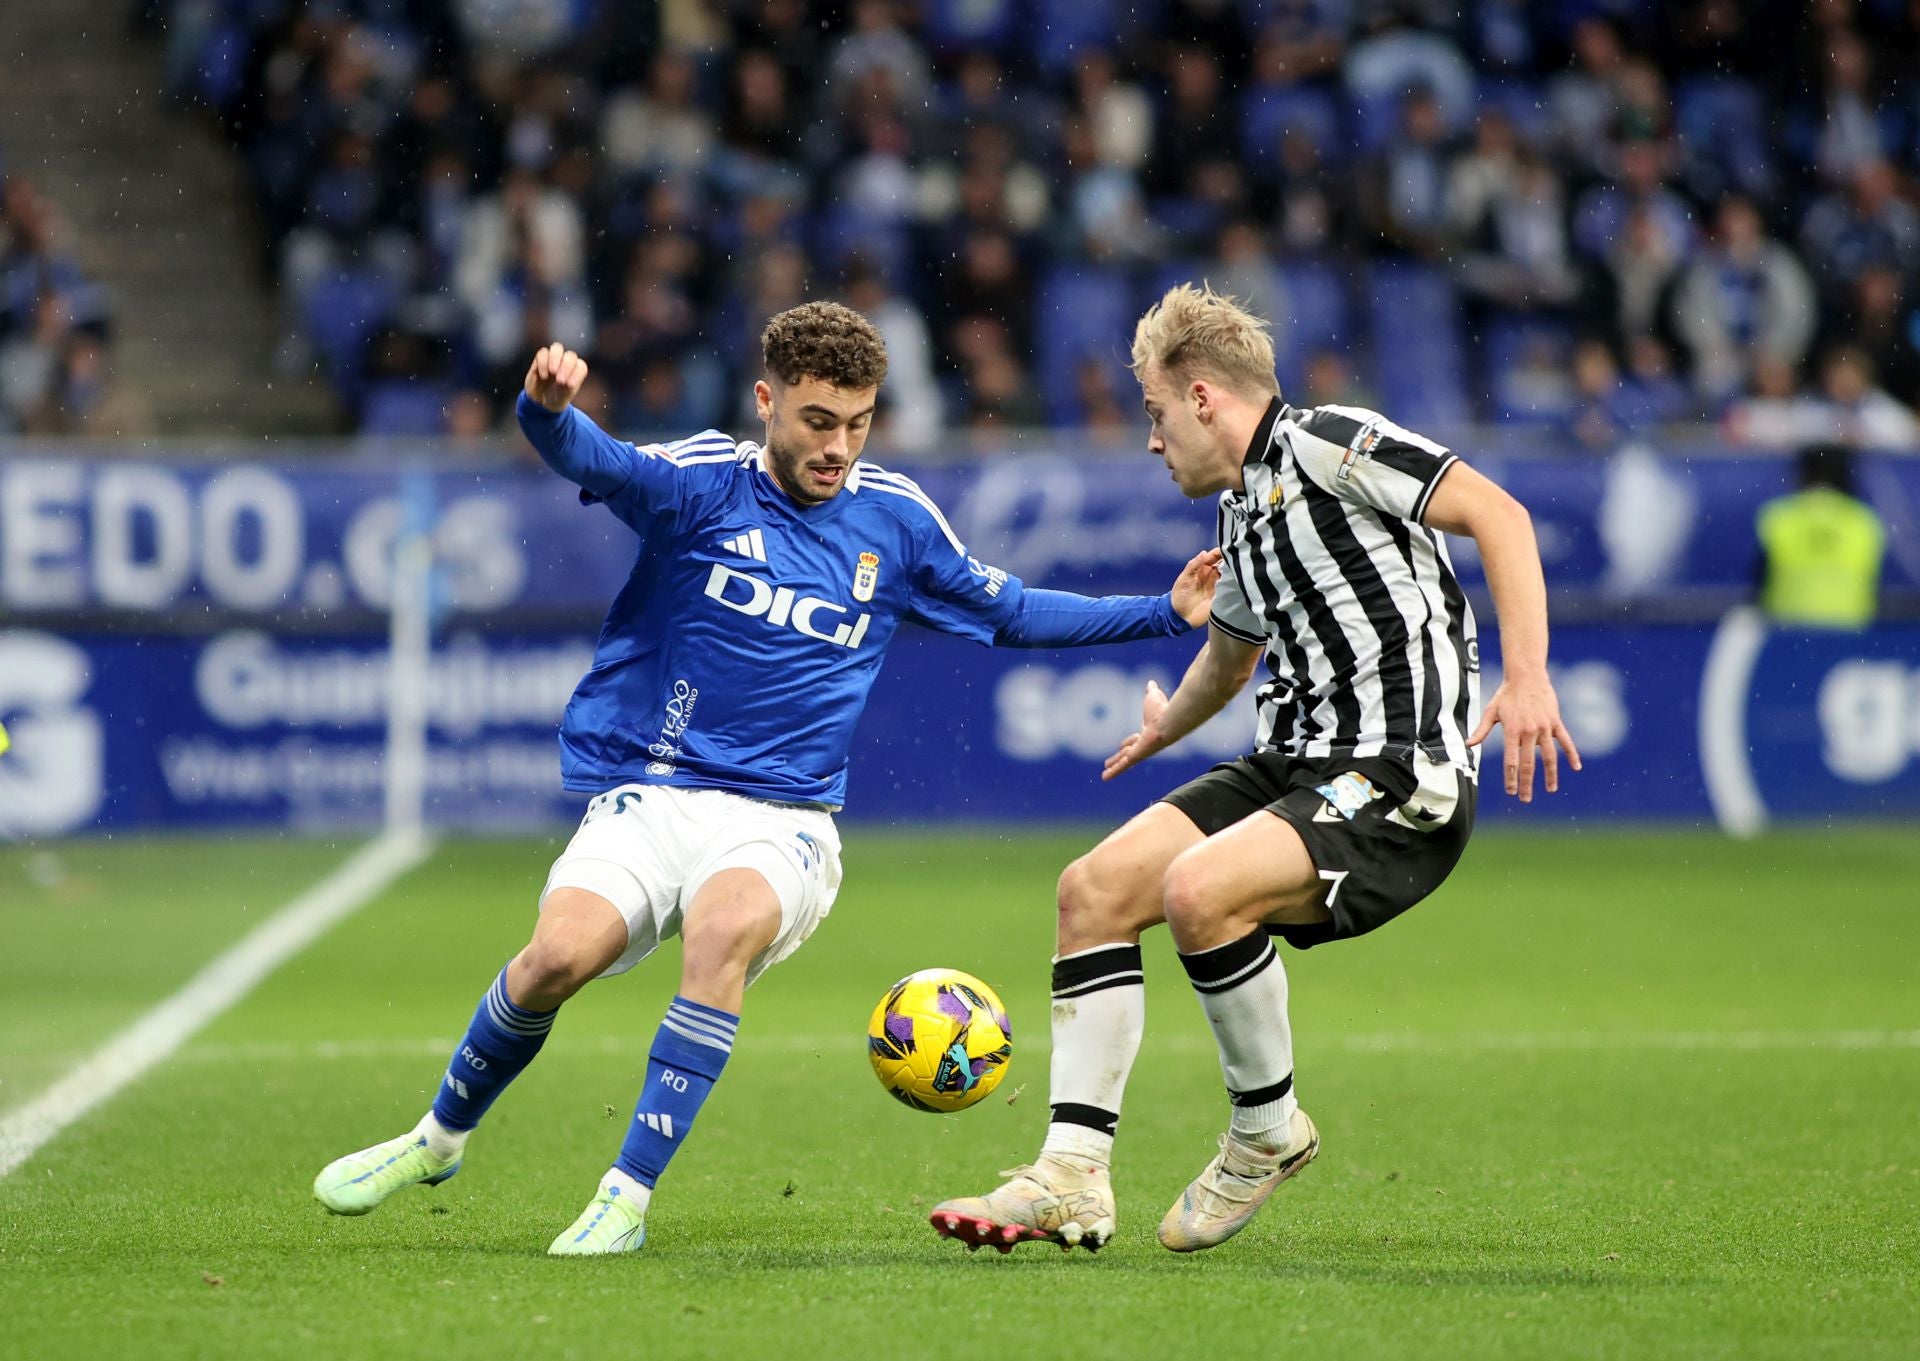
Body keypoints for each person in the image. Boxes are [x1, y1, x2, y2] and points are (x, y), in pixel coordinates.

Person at [311, 302, 1222, 1255]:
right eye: (818, 421)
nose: (839, 447)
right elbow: (600, 462)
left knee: (722, 930)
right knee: (552, 959)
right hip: (656, 788)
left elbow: (1015, 610)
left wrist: (1163, 610)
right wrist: (546, 414)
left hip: (783, 818)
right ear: (767, 400)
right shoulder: (703, 483)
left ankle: (624, 1195)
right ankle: (437, 1138)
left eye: (859, 423)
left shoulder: (897, 519)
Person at [932, 284, 1581, 1255]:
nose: (1152, 441)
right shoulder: (1243, 514)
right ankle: (1070, 1174)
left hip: (1399, 770)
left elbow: (1502, 514)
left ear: (1201, 399)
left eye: (1155, 413)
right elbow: (1230, 659)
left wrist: (1528, 675)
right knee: (1094, 889)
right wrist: (1165, 729)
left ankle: (1266, 1128)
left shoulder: (1332, 441)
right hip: (1292, 763)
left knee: (1199, 889)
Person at [1756, 443, 1887, 629]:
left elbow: (1759, 583)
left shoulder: (1778, 516)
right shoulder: (1865, 520)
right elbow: (1876, 588)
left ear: (1804, 474)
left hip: (1787, 633)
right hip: (1851, 633)